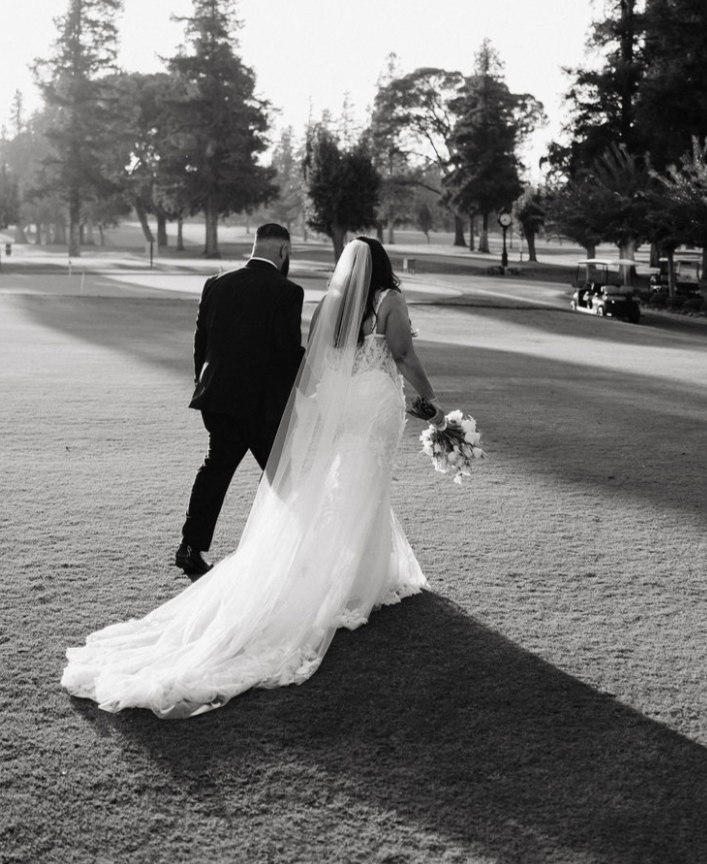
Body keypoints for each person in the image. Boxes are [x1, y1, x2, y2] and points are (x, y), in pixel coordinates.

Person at [61, 237, 445, 719]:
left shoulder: (323, 298)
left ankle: (331, 569)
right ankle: (352, 582)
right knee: (362, 485)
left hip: (325, 400)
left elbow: (308, 359)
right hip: (367, 401)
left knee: (327, 484)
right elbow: (401, 355)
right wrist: (432, 400)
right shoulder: (383, 300)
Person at [175, 222, 304, 578]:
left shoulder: (216, 283)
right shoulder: (288, 291)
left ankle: (189, 547)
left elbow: (202, 343)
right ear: (283, 251)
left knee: (214, 470)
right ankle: (303, 550)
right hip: (262, 408)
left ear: (255, 246)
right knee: (286, 479)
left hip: (218, 400)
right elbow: (286, 353)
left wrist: (203, 384)